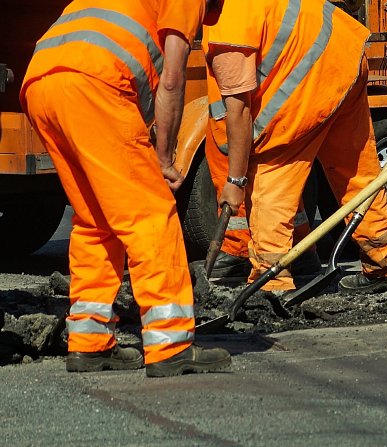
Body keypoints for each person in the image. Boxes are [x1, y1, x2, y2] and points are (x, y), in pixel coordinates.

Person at [20, 0, 231, 377]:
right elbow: (171, 79)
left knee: (95, 220)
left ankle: (89, 342)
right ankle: (171, 344)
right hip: (95, 81)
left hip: (41, 80)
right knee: (151, 213)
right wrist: (164, 158)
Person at [203, 0, 387, 293]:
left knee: (272, 168)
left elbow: (238, 111)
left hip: (312, 78)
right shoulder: (240, 9)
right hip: (345, 57)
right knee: (356, 173)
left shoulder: (226, 29)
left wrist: (236, 180)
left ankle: (271, 280)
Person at [203, 75, 322, 280]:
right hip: (263, 95)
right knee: (280, 177)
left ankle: (245, 253)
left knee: (257, 170)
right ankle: (299, 248)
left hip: (247, 98)